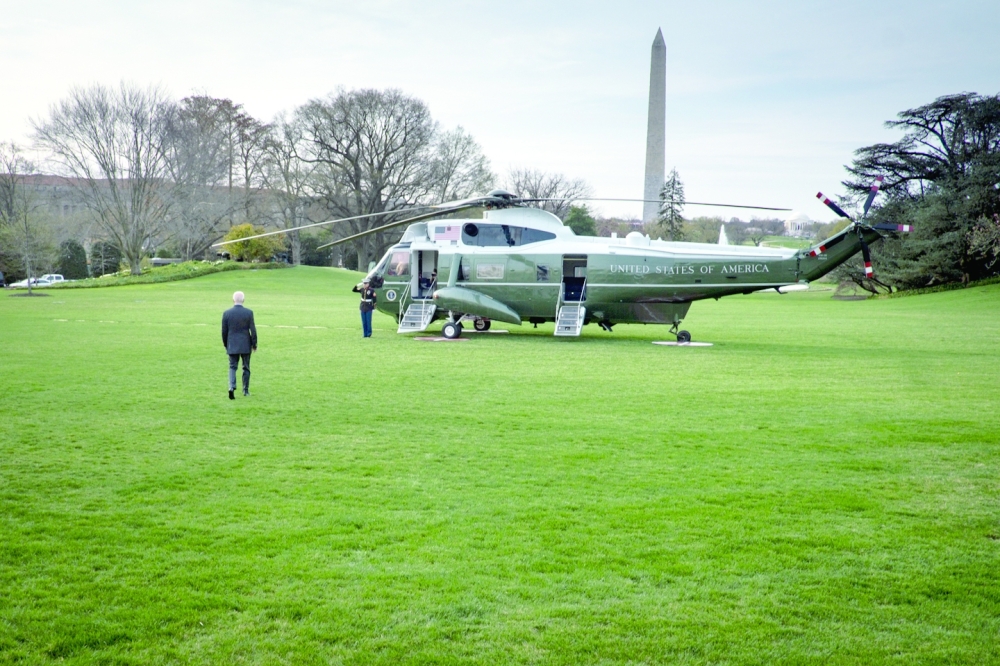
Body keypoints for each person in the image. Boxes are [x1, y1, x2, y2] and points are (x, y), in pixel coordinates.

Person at [222, 290, 257, 399]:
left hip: (232, 344)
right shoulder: (249, 312)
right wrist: (254, 344)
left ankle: (231, 387)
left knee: (232, 367)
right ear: (243, 300)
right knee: (246, 367)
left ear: (233, 300)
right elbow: (253, 330)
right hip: (245, 344)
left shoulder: (227, 313)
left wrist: (226, 344)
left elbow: (224, 331)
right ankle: (245, 390)